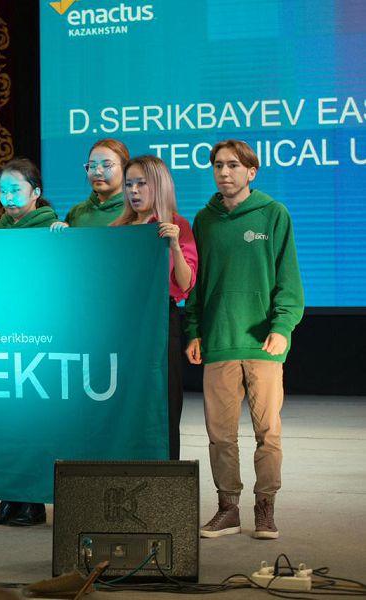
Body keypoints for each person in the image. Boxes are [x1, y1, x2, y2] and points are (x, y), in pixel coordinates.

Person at [185, 140, 303, 540]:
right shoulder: (204, 220)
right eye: (218, 165)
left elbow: (288, 280)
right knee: (220, 435)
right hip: (219, 341)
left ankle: (265, 507)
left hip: (262, 344)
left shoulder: (274, 214)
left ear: (251, 171)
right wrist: (193, 330)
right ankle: (228, 509)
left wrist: (281, 327)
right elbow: (197, 284)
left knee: (268, 432)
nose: (224, 172)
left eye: (233, 165)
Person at [0, 158, 58, 527]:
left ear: (36, 192)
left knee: (34, 422)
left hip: (38, 337)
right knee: (4, 422)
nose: (7, 197)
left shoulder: (53, 228)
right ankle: (9, 495)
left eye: (16, 190)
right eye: (2, 190)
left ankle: (34, 500)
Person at [110, 155, 197, 461]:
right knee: (124, 401)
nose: (133, 191)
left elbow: (185, 284)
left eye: (141, 184)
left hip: (160, 320)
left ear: (159, 185)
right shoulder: (118, 228)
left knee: (162, 400)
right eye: (129, 184)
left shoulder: (176, 225)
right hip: (123, 324)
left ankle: (166, 477)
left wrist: (174, 246)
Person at [54, 139, 130, 230]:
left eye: (106, 165)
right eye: (92, 166)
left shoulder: (135, 211)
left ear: (125, 168)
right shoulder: (76, 213)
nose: (97, 172)